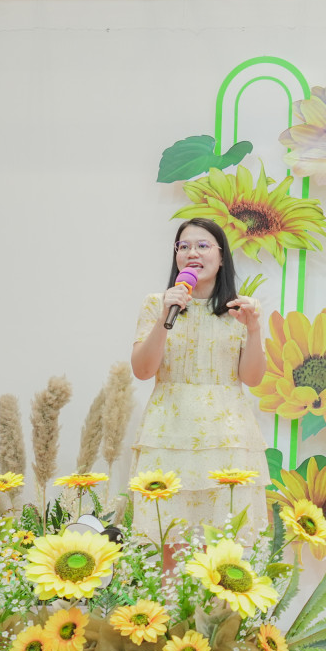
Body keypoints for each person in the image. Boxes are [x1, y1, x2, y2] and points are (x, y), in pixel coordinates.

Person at [129, 217, 269, 534]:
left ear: (222, 257)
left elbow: (252, 378)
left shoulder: (242, 310)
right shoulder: (156, 305)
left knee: (226, 541)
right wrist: (164, 317)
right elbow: (143, 370)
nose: (192, 253)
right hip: (168, 434)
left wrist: (253, 329)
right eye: (184, 246)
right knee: (166, 537)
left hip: (227, 438)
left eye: (202, 245)